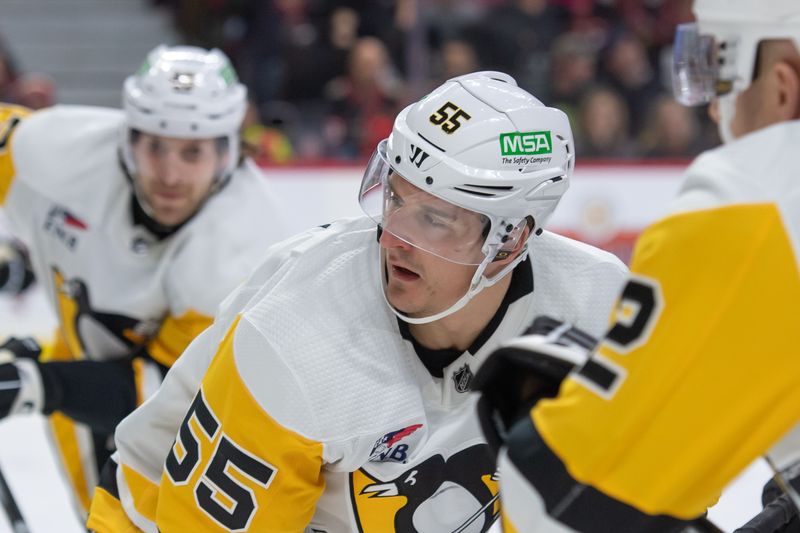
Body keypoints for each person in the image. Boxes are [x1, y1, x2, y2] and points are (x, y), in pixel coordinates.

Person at [86, 71, 628, 532]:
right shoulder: (299, 335)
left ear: (509, 241)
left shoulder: (598, 308)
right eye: (395, 194)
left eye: (435, 220)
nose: (392, 237)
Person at [473, 0, 800, 531]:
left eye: (720, 76)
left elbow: (572, 497)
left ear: (783, 87)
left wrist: (537, 434)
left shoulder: (757, 198)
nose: (714, 111)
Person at [0, 44, 288, 515]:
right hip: (78, 364)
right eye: (155, 146)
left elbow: (166, 400)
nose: (170, 175)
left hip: (196, 433)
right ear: (128, 139)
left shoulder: (240, 254)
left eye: (192, 152)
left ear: (227, 153)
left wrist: (35, 384)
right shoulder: (55, 152)